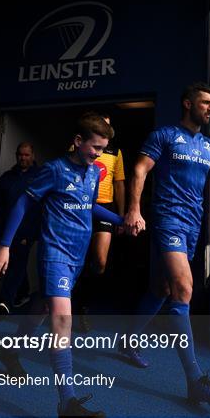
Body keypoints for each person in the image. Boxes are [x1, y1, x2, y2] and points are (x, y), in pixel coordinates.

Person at [123, 81, 210, 403]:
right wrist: (133, 209)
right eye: (204, 102)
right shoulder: (164, 136)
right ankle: (195, 379)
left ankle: (129, 341)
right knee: (183, 288)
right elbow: (140, 169)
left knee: (162, 288)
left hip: (192, 226)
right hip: (167, 219)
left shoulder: (209, 147)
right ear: (188, 104)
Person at [0, 114, 123, 418]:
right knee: (62, 320)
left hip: (77, 258)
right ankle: (68, 404)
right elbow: (23, 204)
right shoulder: (53, 170)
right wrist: (5, 246)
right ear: (78, 141)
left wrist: (122, 220)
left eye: (104, 149)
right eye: (95, 147)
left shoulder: (93, 174)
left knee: (41, 306)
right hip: (54, 253)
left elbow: (89, 206)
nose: (98, 154)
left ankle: (9, 348)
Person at [73, 111, 125, 331]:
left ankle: (84, 304)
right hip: (81, 206)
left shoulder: (115, 152)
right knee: (77, 259)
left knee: (100, 262)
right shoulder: (80, 148)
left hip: (105, 206)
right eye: (102, 123)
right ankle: (69, 303)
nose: (106, 127)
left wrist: (121, 217)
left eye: (109, 125)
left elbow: (120, 183)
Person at [0, 142, 40, 314]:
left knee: (16, 262)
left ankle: (5, 302)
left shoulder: (40, 176)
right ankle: (23, 293)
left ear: (33, 156)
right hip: (7, 229)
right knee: (12, 262)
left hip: (27, 229)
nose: (23, 158)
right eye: (20, 154)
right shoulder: (8, 177)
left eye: (27, 155)